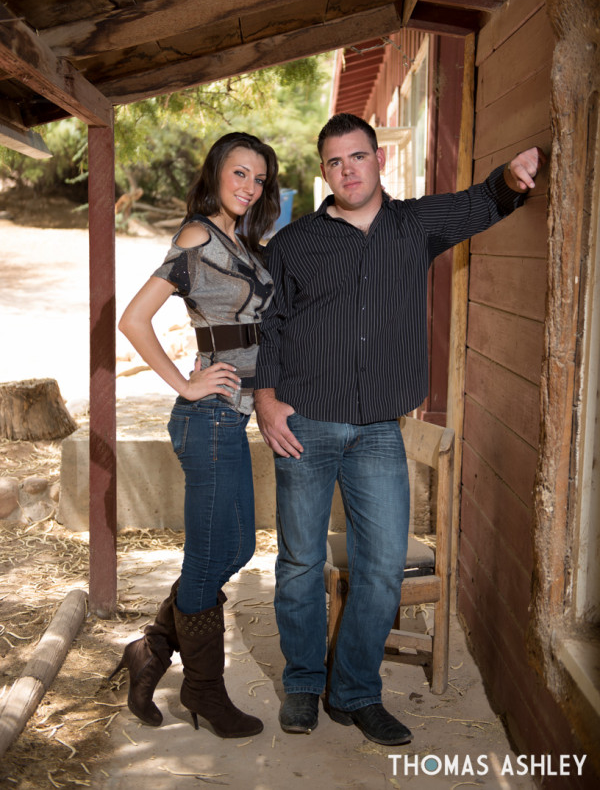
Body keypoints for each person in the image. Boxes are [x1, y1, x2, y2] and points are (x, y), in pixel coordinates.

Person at [254, 112, 545, 746]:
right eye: (335, 162)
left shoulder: (415, 224)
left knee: (383, 568)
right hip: (305, 423)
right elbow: (269, 326)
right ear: (324, 170)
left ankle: (353, 691)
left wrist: (513, 177)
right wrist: (266, 401)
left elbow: (480, 203)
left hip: (379, 431)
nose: (347, 170)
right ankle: (303, 682)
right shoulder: (294, 243)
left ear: (378, 159)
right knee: (300, 561)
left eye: (357, 156)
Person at [110, 131, 280, 738]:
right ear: (215, 174)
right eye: (239, 173)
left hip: (233, 417)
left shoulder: (242, 242)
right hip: (207, 417)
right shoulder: (197, 236)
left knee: (234, 550)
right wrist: (185, 384)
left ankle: (152, 649)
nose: (249, 187)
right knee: (212, 557)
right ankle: (203, 690)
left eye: (259, 178)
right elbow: (133, 318)